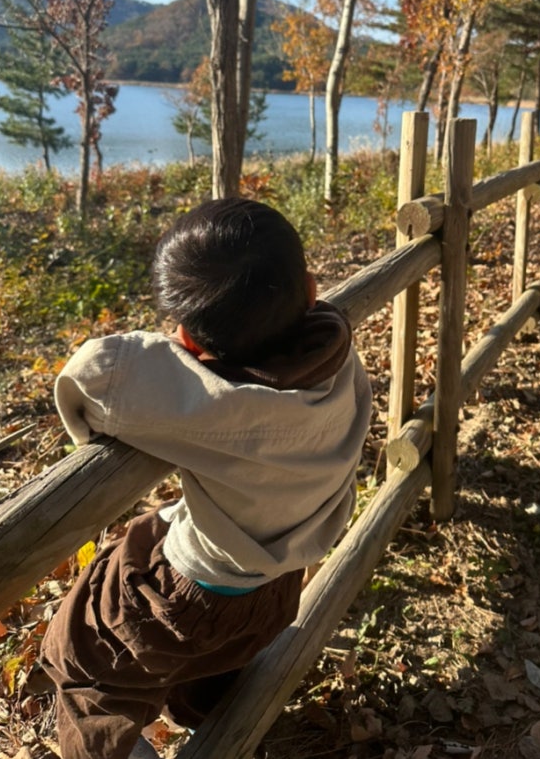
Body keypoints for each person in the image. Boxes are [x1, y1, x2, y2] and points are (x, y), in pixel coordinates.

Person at [40, 197, 373, 759]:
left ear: (188, 341)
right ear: (312, 290)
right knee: (212, 664)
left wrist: (183, 355)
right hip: (276, 589)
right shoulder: (337, 361)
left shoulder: (219, 407)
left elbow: (95, 375)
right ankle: (212, 725)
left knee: (83, 663)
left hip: (190, 599)